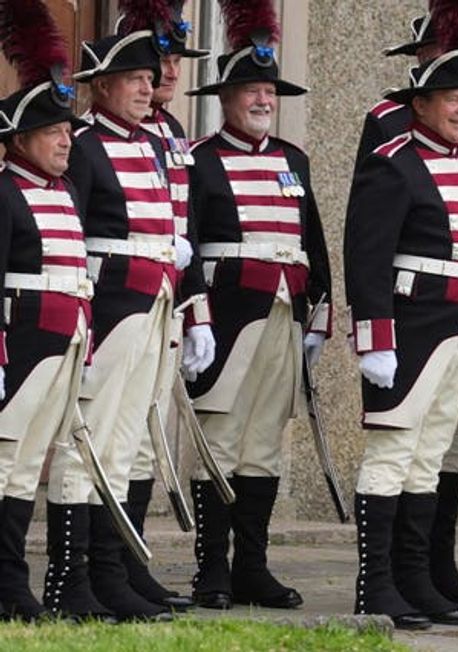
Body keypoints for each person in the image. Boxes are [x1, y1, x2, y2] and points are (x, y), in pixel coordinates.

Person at [352, 2, 458, 613]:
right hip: (413, 325)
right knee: (393, 452)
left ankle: (414, 580)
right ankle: (376, 586)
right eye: (452, 97)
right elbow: (367, 257)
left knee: (429, 456)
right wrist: (375, 337)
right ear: (420, 103)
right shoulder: (393, 165)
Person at [45, 24, 200, 622]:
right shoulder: (82, 144)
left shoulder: (151, 143)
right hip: (109, 309)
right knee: (87, 444)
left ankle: (108, 573)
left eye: (148, 77)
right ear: (102, 85)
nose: (147, 87)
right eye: (133, 79)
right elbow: (70, 231)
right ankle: (69, 577)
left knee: (124, 445)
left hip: (154, 305)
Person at [184, 0, 331, 611]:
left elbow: (313, 242)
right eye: (251, 89)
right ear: (226, 96)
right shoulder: (199, 159)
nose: (262, 99)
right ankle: (210, 571)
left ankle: (253, 566)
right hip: (225, 318)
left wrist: (318, 315)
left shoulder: (293, 160)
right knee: (218, 440)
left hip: (281, 317)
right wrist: (196, 321)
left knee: (264, 443)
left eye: (269, 89)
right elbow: (186, 244)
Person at [115, 0, 212, 612]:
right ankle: (107, 569)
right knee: (117, 438)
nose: (169, 72)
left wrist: (196, 309)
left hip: (168, 302)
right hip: (124, 302)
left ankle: (132, 563)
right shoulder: (106, 135)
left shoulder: (173, 133)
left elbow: (187, 227)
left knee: (148, 441)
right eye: (158, 61)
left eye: (174, 61)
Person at [0, 0, 92, 621]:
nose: (66, 140)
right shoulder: (5, 192)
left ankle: (13, 583)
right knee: (6, 464)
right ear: (21, 139)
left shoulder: (61, 192)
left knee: (29, 466)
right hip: (23, 344)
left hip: (64, 344)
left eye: (67, 131)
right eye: (54, 132)